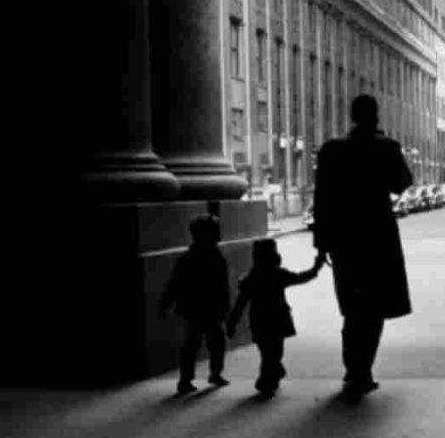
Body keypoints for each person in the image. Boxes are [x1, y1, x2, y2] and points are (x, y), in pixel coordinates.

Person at [313, 94, 413, 399]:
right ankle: (363, 369)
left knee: (353, 307)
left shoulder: (332, 150)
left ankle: (353, 369)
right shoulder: (386, 148)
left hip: (345, 239)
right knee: (375, 308)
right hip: (378, 237)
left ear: (352, 115)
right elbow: (402, 182)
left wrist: (321, 244)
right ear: (376, 116)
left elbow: (322, 199)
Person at [225, 238, 323, 396]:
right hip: (278, 319)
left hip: (259, 320)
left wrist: (232, 323)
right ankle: (267, 381)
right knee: (275, 353)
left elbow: (240, 304)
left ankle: (271, 377)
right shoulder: (279, 274)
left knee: (267, 353)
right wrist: (316, 267)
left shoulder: (250, 278)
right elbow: (301, 278)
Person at [158, 214, 231, 395]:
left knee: (192, 344)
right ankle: (214, 373)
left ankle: (186, 379)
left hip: (193, 308)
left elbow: (174, 283)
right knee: (215, 343)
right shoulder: (217, 257)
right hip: (210, 308)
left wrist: (165, 305)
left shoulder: (188, 257)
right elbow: (222, 286)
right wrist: (226, 308)